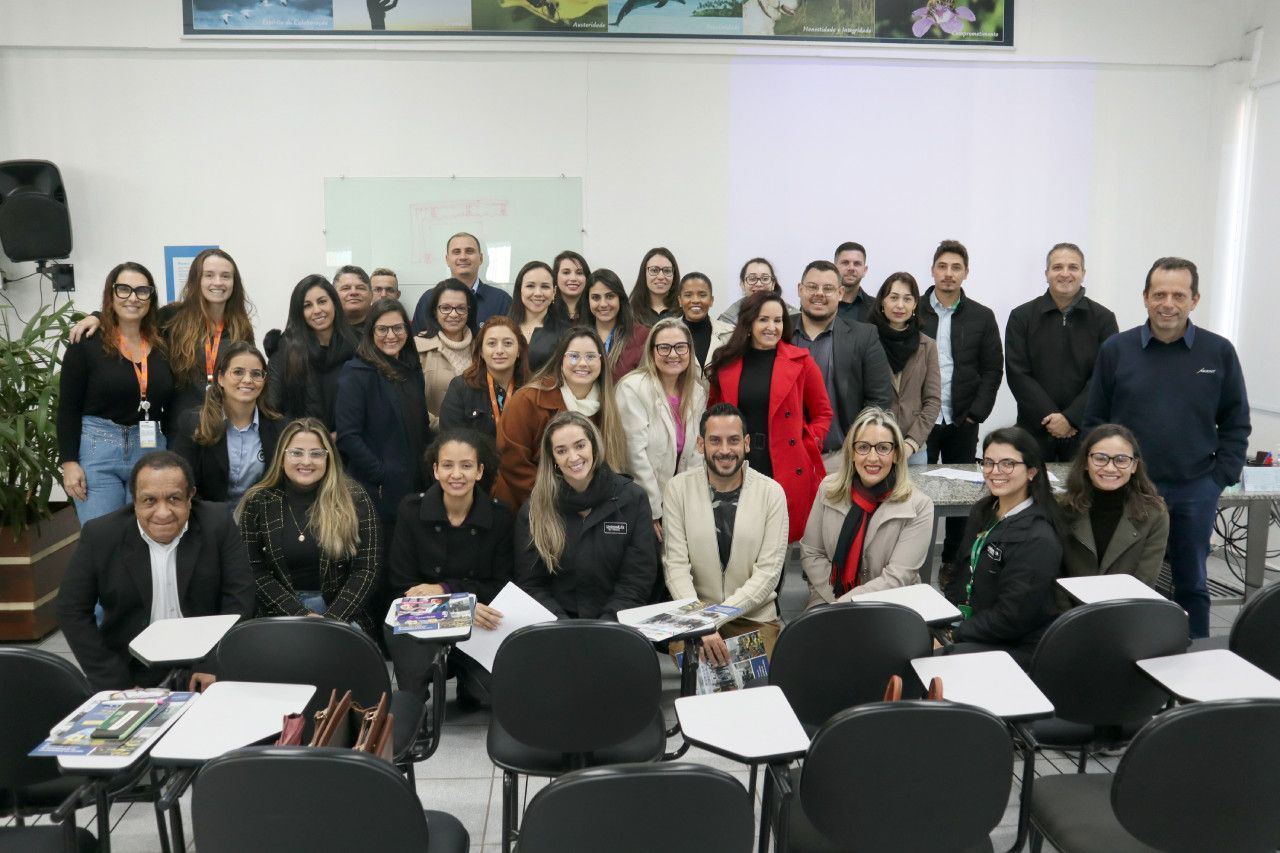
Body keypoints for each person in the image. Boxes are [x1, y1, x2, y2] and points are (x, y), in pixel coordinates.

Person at [1085, 257, 1250, 638]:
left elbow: (1236, 422)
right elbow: (1094, 423)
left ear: (1195, 299)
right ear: (1145, 298)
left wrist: (1218, 478)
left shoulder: (1218, 352)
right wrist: (1104, 475)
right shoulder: (1116, 349)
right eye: (1159, 294)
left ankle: (1196, 667)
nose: (1168, 303)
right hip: (1127, 490)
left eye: (1179, 294)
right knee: (1122, 583)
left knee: (1192, 585)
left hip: (1194, 488)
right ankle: (1121, 657)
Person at [57, 451, 254, 691]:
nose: (162, 512)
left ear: (190, 496)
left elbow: (240, 598)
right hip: (132, 668)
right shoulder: (101, 535)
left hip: (204, 662)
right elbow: (71, 609)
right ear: (135, 500)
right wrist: (114, 681)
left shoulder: (218, 523)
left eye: (174, 499)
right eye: (149, 500)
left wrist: (214, 662)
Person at [68, 249, 255, 437]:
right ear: (196, 280)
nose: (217, 282)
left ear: (234, 283)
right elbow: (133, 316)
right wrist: (98, 317)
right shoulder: (172, 318)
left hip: (226, 429)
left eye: (225, 276)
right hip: (181, 432)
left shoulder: (241, 327)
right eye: (209, 275)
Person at [387, 430, 514, 707]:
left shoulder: (500, 517)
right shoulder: (411, 510)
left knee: (488, 694)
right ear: (435, 470)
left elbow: (500, 587)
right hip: (422, 621)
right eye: (447, 465)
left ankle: (470, 683)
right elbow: (402, 589)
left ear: (480, 471)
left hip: (476, 623)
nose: (456, 474)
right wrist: (459, 606)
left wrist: (445, 590)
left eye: (466, 465)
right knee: (412, 691)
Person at [662, 403, 787, 662]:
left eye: (733, 440)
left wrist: (718, 618)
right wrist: (702, 622)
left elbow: (768, 573)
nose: (725, 450)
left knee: (744, 676)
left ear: (747, 443)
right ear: (700, 444)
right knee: (701, 674)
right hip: (696, 615)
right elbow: (675, 566)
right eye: (715, 441)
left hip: (752, 617)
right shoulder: (677, 489)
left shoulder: (772, 492)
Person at [707, 290, 832, 543]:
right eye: (764, 319)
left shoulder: (801, 361)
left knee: (777, 542)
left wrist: (808, 442)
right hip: (738, 462)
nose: (772, 327)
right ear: (749, 323)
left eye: (778, 320)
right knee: (736, 539)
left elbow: (822, 413)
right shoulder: (726, 362)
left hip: (784, 464)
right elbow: (713, 413)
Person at [58, 262, 176, 524]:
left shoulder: (163, 344)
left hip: (150, 449)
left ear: (151, 297)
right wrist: (68, 462)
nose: (133, 297)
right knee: (102, 539)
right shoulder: (87, 342)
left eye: (142, 290)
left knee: (147, 537)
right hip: (98, 449)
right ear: (111, 295)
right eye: (123, 289)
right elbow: (68, 407)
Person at [238, 418, 379, 630]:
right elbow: (254, 572)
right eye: (296, 452)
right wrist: (301, 615)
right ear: (282, 456)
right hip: (278, 613)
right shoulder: (258, 502)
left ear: (328, 458)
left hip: (343, 613)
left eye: (316, 453)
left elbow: (366, 569)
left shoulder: (354, 497)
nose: (306, 461)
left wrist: (332, 620)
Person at [941, 427, 1064, 667]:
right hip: (972, 627)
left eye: (1008, 464)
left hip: (1011, 645)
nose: (995, 472)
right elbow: (959, 572)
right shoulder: (983, 510)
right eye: (988, 462)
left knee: (926, 663)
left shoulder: (1038, 536)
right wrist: (946, 620)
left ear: (1031, 471)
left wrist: (955, 635)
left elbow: (1012, 618)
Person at [515, 412, 657, 619]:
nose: (573, 457)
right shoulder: (534, 510)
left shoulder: (632, 498)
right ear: (553, 458)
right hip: (558, 628)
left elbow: (637, 579)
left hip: (617, 624)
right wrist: (564, 628)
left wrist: (607, 625)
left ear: (594, 446)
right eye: (561, 451)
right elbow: (532, 585)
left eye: (580, 446)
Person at [919, 239, 1004, 567]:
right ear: (933, 270)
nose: (949, 274)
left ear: (966, 272)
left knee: (962, 498)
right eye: (943, 266)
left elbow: (992, 369)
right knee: (919, 496)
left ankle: (953, 566)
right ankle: (917, 566)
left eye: (956, 268)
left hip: (962, 420)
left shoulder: (982, 316)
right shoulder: (915, 311)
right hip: (923, 420)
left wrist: (975, 414)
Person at [800, 407, 934, 607]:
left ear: (896, 454)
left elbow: (897, 577)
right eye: (863, 447)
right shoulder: (828, 489)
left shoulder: (919, 506)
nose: (872, 457)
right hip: (829, 597)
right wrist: (835, 600)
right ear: (852, 453)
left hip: (890, 603)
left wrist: (848, 604)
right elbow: (812, 553)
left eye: (883, 448)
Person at [1005, 243, 1119, 460]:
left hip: (1084, 432)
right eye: (1057, 267)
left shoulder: (1104, 319)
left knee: (1081, 494)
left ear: (1083, 274)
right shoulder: (1022, 317)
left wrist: (1071, 419)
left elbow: (1104, 376)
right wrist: (1052, 419)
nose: (1065, 273)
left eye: (1073, 267)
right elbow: (1017, 373)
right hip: (1034, 430)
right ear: (1047, 274)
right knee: (1033, 492)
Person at [493, 328, 628, 508]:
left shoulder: (608, 406)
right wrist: (560, 503)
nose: (582, 363)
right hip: (528, 505)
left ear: (601, 361)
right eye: (573, 356)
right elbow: (513, 463)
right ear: (561, 359)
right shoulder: (528, 399)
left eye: (590, 357)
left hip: (585, 508)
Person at [790, 260, 894, 470]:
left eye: (828, 288)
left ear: (839, 293)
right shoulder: (778, 331)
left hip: (839, 459)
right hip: (787, 456)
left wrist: (858, 447)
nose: (819, 293)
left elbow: (879, 399)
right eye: (812, 287)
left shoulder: (864, 336)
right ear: (800, 289)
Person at [335, 298, 431, 524]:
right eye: (382, 329)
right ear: (370, 332)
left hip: (416, 485)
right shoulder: (356, 372)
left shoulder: (411, 371)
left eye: (398, 328)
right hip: (377, 491)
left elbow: (421, 426)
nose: (391, 335)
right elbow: (348, 436)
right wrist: (381, 474)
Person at [1057, 424, 1169, 610]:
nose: (1110, 467)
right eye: (1100, 458)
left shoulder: (1155, 514)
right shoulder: (1062, 507)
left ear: (1134, 466)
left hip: (1124, 615)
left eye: (1121, 460)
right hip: (1067, 616)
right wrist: (1067, 618)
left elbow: (1144, 582)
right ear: (1085, 462)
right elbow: (1054, 575)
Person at [615, 317, 708, 541]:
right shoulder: (633, 388)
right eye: (664, 347)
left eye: (680, 347)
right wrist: (653, 511)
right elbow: (635, 455)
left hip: (679, 502)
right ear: (652, 351)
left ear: (689, 350)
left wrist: (685, 506)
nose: (673, 354)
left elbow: (696, 453)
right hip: (641, 500)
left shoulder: (697, 392)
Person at [171, 342, 284, 504]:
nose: (247, 380)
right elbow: (181, 485)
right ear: (221, 378)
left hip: (260, 522)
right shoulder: (193, 423)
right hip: (208, 521)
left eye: (256, 374)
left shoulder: (279, 427)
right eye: (238, 372)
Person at [266, 274, 356, 432]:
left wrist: (341, 435)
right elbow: (272, 409)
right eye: (307, 305)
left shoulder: (357, 345)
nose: (317, 310)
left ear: (334, 303)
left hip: (348, 445)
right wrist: (306, 437)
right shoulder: (284, 349)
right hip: (302, 448)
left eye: (322, 301)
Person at [867, 272, 940, 463]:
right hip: (873, 447)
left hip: (914, 449)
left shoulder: (928, 346)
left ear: (915, 304)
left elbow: (932, 401)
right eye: (893, 298)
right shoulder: (866, 340)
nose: (900, 305)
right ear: (882, 301)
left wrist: (910, 444)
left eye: (907, 299)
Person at [439, 316, 529, 439]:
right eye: (491, 343)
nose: (499, 350)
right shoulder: (460, 388)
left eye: (508, 343)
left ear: (519, 350)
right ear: (481, 351)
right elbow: (451, 439)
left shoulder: (532, 389)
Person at [412, 233, 511, 331]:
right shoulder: (428, 299)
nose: (463, 257)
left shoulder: (501, 300)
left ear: (481, 258)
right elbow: (417, 342)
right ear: (447, 260)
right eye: (456, 252)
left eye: (469, 251)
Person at [413, 279, 477, 426]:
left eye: (461, 308)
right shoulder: (417, 347)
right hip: (430, 437)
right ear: (434, 311)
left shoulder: (482, 347)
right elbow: (410, 400)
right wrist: (441, 427)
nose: (454, 314)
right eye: (446, 308)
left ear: (469, 311)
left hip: (475, 439)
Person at [588, 268, 649, 382]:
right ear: (587, 301)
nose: (603, 304)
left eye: (610, 296)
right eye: (596, 297)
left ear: (620, 298)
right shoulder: (578, 335)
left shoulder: (641, 334)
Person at [507, 260, 562, 374]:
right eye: (530, 286)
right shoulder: (503, 327)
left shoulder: (566, 332)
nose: (538, 293)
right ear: (520, 289)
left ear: (554, 292)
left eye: (545, 287)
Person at [675, 271, 733, 372]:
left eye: (702, 295)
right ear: (680, 301)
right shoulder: (664, 333)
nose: (695, 300)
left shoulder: (731, 334)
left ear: (711, 300)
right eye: (688, 295)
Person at [717, 257, 795, 325]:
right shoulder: (729, 319)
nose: (758, 284)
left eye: (765, 279)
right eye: (752, 279)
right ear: (742, 284)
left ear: (773, 284)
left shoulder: (793, 316)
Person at [628, 246, 680, 327]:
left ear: (674, 275)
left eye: (667, 271)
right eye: (654, 270)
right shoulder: (630, 312)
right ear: (644, 274)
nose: (661, 277)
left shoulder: (682, 310)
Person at [833, 241, 874, 323]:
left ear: (864, 270)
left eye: (857, 264)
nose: (851, 268)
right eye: (845, 263)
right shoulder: (820, 302)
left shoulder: (876, 308)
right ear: (834, 267)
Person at [549, 249, 590, 325]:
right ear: (555, 277)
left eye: (579, 273)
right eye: (566, 273)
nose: (573, 278)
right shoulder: (546, 311)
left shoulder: (595, 311)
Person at [334, 264, 375, 331]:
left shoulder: (384, 327)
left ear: (371, 295)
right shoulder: (323, 330)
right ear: (334, 295)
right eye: (346, 288)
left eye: (360, 288)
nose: (353, 292)